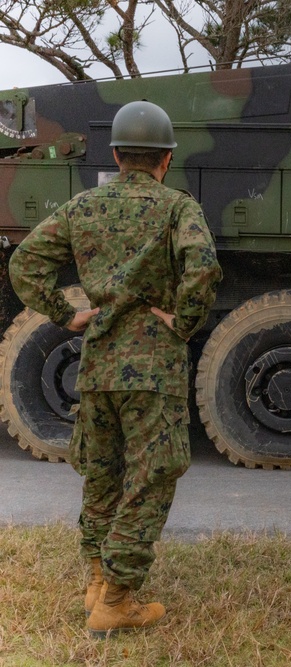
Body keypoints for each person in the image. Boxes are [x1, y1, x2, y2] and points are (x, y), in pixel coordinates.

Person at [8, 100, 222, 637]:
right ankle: (117, 600)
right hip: (153, 369)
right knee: (152, 476)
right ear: (166, 159)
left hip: (99, 364)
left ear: (116, 155)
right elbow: (203, 269)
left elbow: (24, 264)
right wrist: (184, 322)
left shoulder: (83, 207)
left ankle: (98, 580)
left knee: (101, 474)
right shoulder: (179, 209)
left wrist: (66, 315)